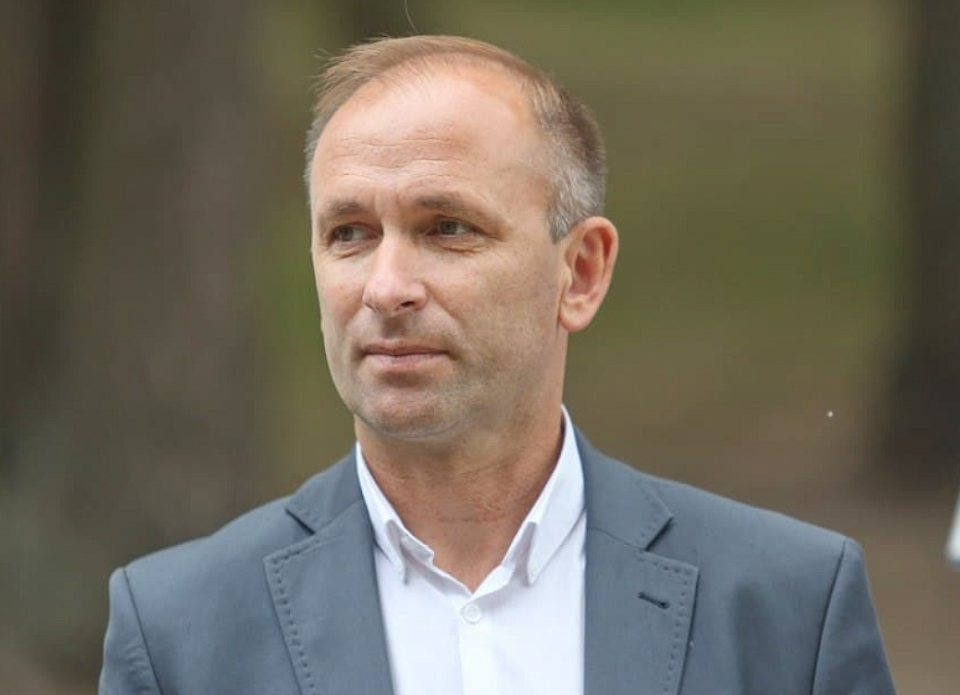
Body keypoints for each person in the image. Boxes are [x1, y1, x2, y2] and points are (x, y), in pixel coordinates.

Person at [99, 35, 896, 695]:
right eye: (349, 233)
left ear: (580, 272)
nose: (386, 287)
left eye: (447, 227)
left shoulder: (786, 608)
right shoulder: (180, 630)